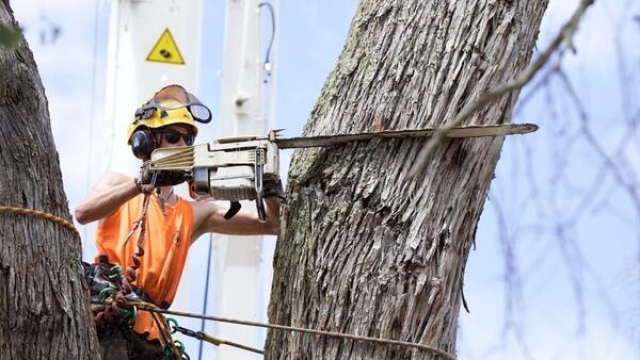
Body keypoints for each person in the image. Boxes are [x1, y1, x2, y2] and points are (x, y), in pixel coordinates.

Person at [75, 84, 282, 360]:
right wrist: (140, 185)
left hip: (153, 334)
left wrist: (269, 183)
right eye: (173, 136)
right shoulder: (118, 185)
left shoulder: (195, 213)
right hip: (109, 315)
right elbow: (82, 213)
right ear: (145, 143)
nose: (183, 146)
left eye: (187, 140)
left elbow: (272, 224)